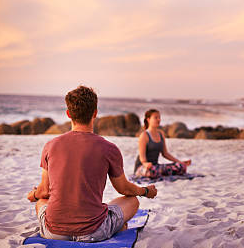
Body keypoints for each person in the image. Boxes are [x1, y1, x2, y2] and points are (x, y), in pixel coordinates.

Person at [26, 86, 157, 242]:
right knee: (132, 200)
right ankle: (115, 227)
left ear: (68, 114)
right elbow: (124, 189)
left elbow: (44, 191)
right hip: (94, 232)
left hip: (53, 232)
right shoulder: (109, 148)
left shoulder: (50, 146)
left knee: (41, 202)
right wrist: (145, 191)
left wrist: (33, 195)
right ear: (95, 113)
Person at [134, 109, 191, 178]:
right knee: (153, 171)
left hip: (156, 166)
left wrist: (180, 162)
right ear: (148, 119)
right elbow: (142, 157)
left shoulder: (161, 134)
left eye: (159, 117)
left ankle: (161, 173)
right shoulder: (144, 135)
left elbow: (165, 153)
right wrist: (145, 163)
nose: (158, 119)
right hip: (143, 167)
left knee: (181, 167)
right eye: (155, 118)